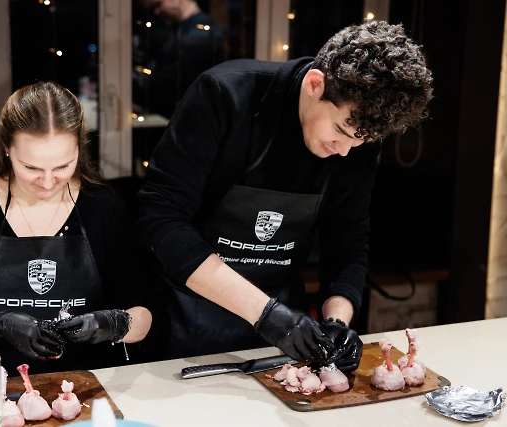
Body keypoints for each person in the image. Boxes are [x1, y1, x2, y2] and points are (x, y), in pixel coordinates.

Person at [137, 20, 433, 372]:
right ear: (315, 84)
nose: (344, 151)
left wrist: (337, 322)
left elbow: (347, 243)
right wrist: (264, 313)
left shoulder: (356, 142)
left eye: (361, 141)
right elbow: (161, 219)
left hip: (283, 327)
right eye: (340, 130)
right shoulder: (226, 94)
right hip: (181, 321)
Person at [0, 82, 153, 386]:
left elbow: (146, 314)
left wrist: (112, 324)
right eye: (31, 167)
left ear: (79, 149)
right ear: (7, 148)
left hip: (84, 391)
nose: (48, 182)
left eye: (62, 166)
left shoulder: (103, 208)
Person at [134, 0, 224, 118]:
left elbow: (178, 73)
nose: (157, 11)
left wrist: (142, 82)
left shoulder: (200, 32)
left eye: (159, 4)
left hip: (190, 115)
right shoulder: (184, 28)